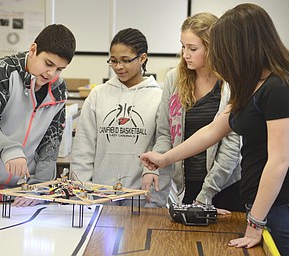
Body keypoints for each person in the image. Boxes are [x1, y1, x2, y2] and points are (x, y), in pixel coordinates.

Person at [140, 3, 289, 254]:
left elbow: (279, 162)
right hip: (259, 205)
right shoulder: (250, 84)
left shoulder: (277, 88)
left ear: (244, 46)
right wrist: (164, 158)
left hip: (277, 209)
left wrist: (255, 222)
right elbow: (213, 130)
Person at [142, 12, 243, 212]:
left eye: (193, 48)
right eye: (183, 46)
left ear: (212, 48)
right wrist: (153, 166)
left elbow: (231, 148)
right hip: (187, 187)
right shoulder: (174, 79)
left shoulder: (231, 83)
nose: (185, 54)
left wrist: (206, 196)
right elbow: (165, 133)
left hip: (225, 187)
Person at [0, 24, 76, 207]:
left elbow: (50, 143)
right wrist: (9, 150)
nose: (51, 73)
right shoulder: (0, 74)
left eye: (59, 69)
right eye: (48, 63)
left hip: (21, 192)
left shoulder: (58, 90)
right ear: (33, 49)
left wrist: (40, 187)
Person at [70, 28, 171, 207]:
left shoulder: (158, 97)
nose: (118, 67)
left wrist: (156, 199)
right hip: (100, 195)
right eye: (114, 61)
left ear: (142, 58)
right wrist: (81, 194)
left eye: (125, 60)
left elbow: (163, 147)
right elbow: (83, 148)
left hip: (141, 196)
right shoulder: (97, 95)